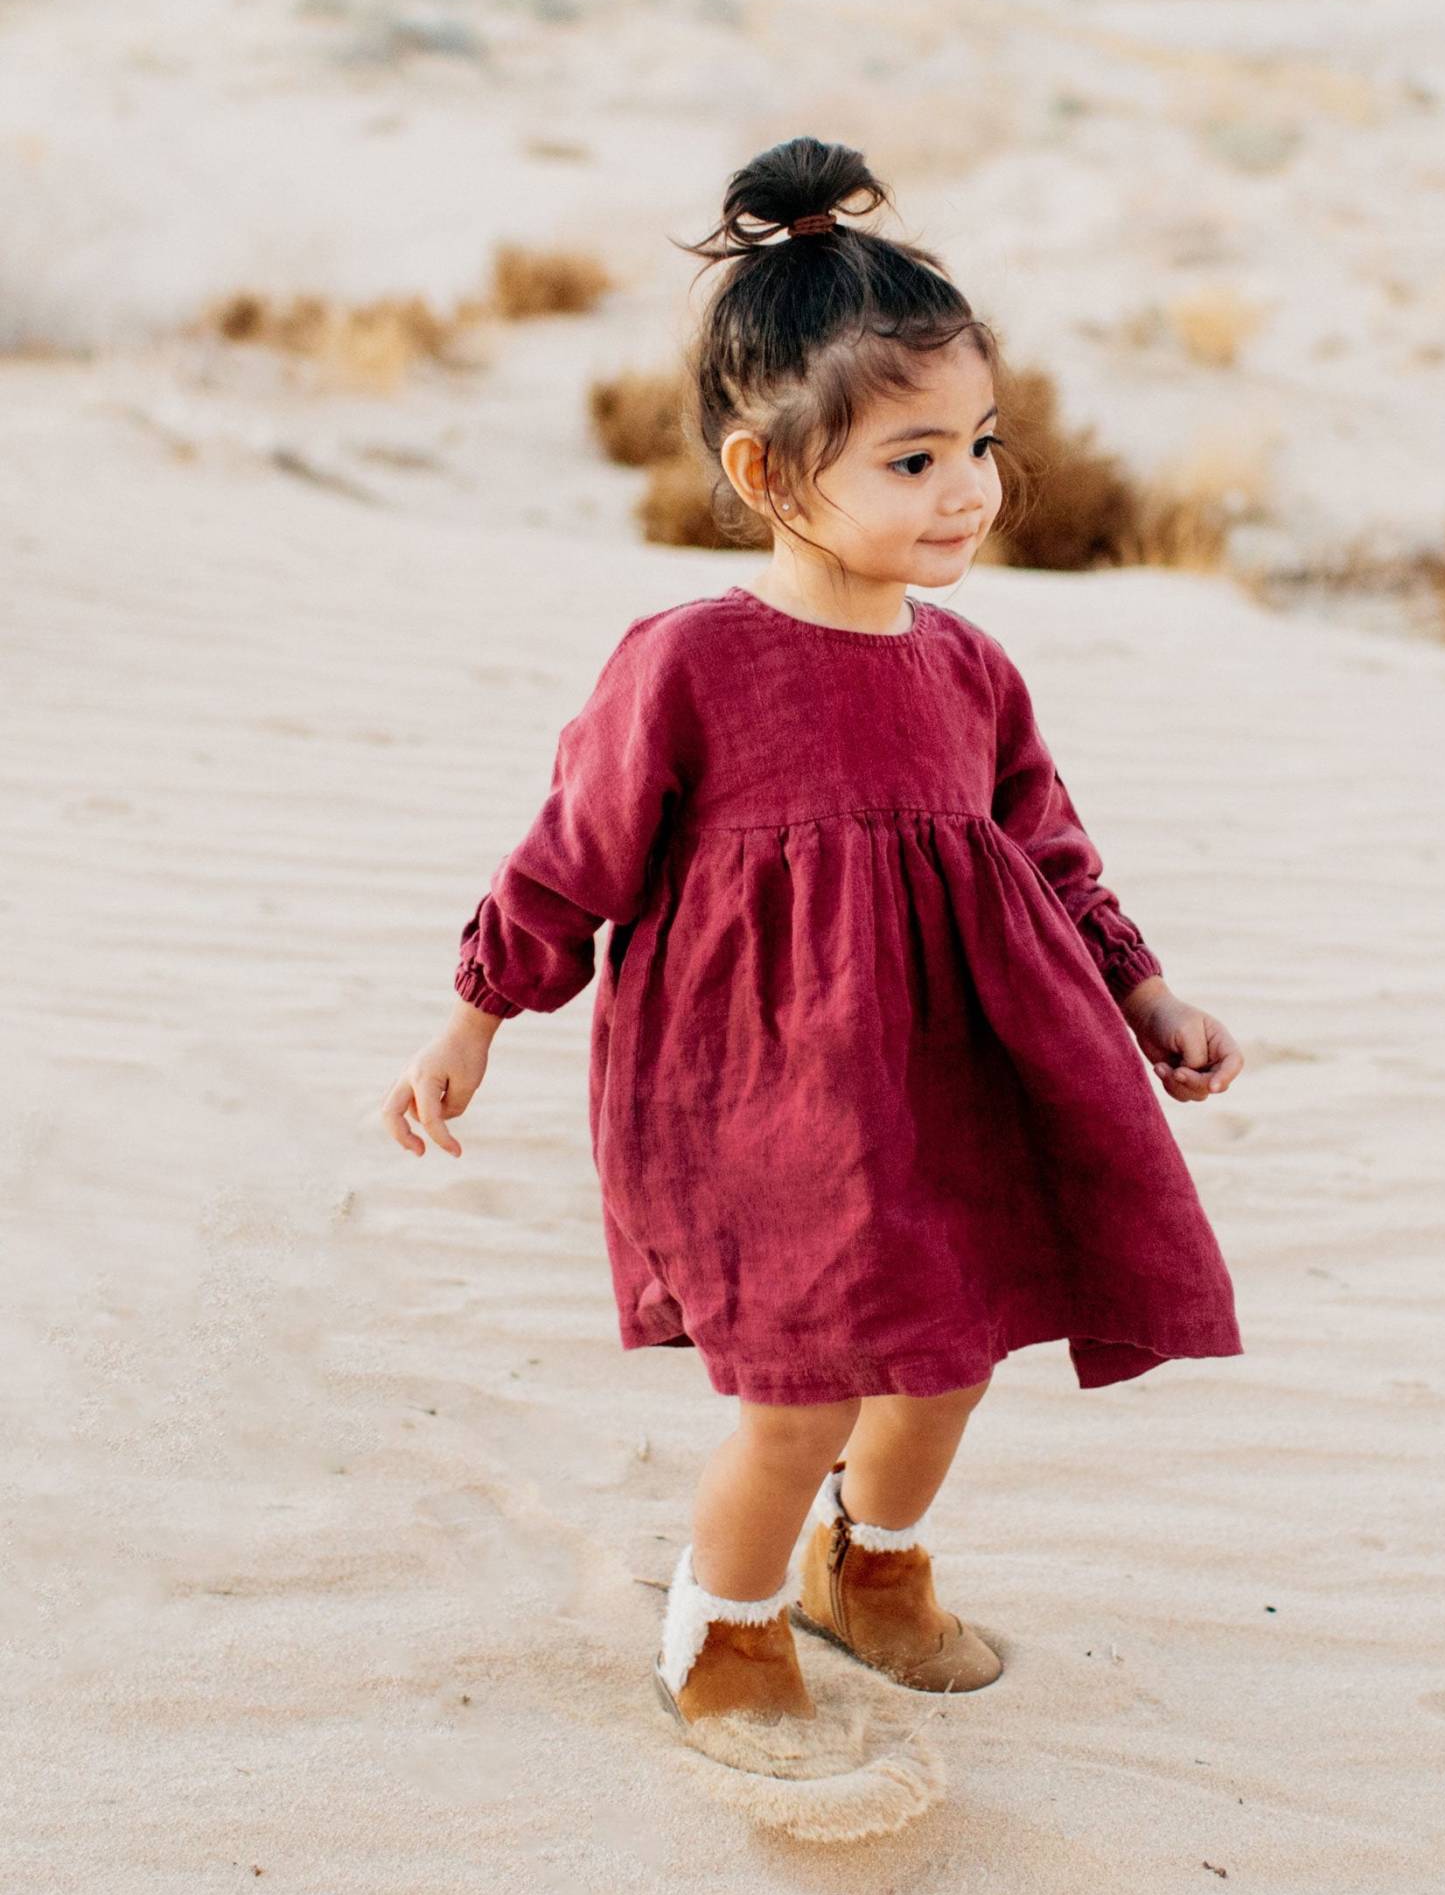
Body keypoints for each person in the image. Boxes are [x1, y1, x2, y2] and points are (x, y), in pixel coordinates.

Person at [380, 135, 1245, 1771]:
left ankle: (876, 1566)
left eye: (979, 445)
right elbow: (573, 854)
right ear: (768, 473)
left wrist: (1144, 989)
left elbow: (1048, 849)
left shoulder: (970, 669)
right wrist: (476, 1014)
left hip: (949, 1082)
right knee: (802, 1394)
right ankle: (724, 1627)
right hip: (761, 1096)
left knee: (950, 1362)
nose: (968, 490)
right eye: (912, 459)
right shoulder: (689, 663)